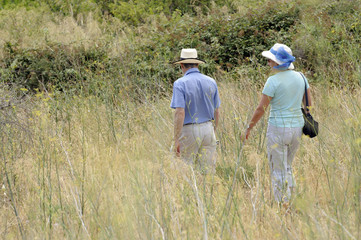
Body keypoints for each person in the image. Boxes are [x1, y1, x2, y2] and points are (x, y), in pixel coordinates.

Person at [243, 43, 312, 204]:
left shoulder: (272, 81)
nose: (268, 63)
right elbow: (308, 104)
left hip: (278, 129)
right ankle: (292, 199)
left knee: (278, 169)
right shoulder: (301, 77)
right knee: (288, 166)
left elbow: (261, 108)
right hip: (297, 127)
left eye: (270, 60)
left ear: (277, 62)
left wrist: (249, 127)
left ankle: (283, 204)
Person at [170, 48, 221, 173]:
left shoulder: (180, 83)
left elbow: (180, 112)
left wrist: (176, 138)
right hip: (208, 128)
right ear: (197, 64)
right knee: (207, 171)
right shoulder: (211, 81)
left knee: (185, 169)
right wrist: (214, 130)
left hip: (189, 130)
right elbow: (217, 110)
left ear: (181, 65)